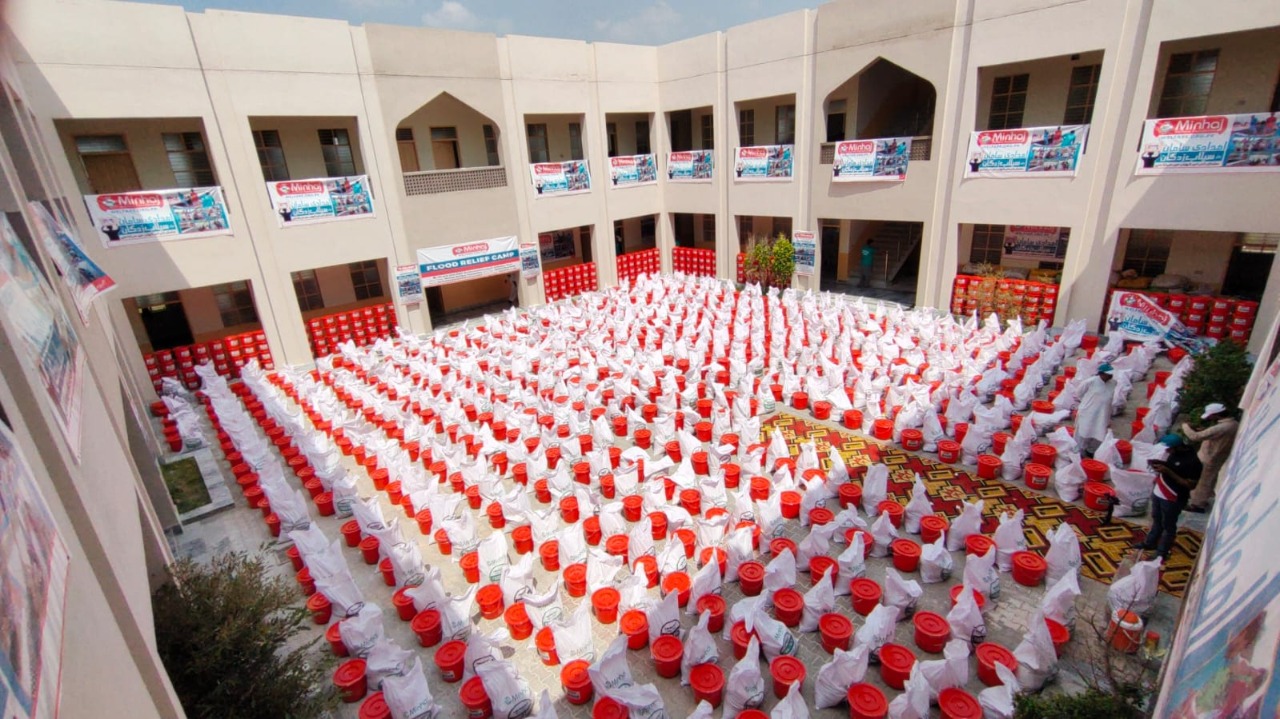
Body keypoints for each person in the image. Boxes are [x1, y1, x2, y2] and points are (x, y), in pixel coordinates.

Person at [1135, 434, 1201, 560]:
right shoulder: (1173, 454)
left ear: (1177, 447)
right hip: (1159, 492)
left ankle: (1162, 552)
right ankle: (1150, 543)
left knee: (1168, 526)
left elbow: (1190, 484)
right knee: (1157, 519)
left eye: (1169, 449)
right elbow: (1172, 467)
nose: (1166, 451)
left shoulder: (1193, 462)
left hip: (1173, 498)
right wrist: (1159, 464)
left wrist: (1167, 471)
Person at [1182, 402, 1240, 513]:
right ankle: (1202, 498)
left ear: (1216, 415)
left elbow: (1194, 437)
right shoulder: (1233, 424)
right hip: (1218, 456)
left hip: (1209, 457)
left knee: (1203, 481)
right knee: (1209, 479)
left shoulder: (1221, 428)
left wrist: (1185, 426)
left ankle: (1197, 504)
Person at [1074, 364, 1115, 456]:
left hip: (1103, 412)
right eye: (1108, 374)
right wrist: (1086, 403)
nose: (1111, 376)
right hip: (1088, 411)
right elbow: (1079, 393)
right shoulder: (1090, 382)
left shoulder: (1113, 383)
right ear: (1101, 374)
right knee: (1084, 432)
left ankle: (1091, 451)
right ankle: (1079, 451)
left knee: (1099, 432)